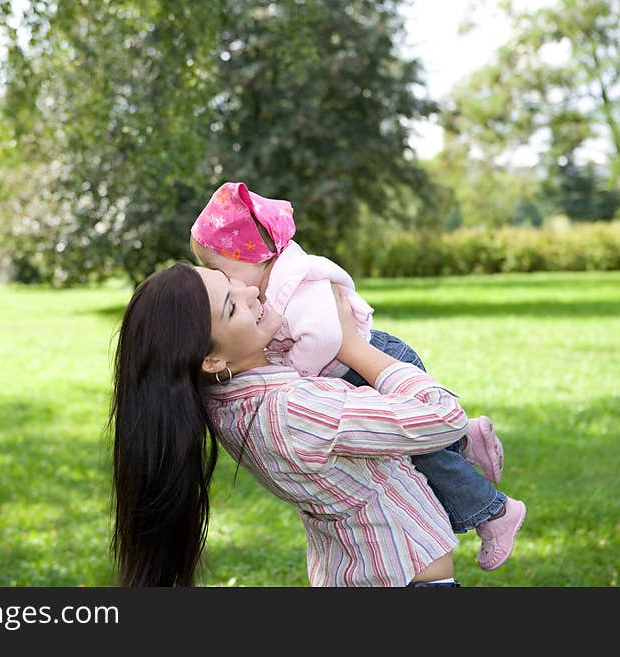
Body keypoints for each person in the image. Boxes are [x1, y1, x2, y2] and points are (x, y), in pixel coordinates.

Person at [189, 181, 526, 571]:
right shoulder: (274, 302)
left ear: (249, 255)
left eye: (222, 273)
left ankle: (493, 512)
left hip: (368, 358)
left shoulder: (293, 283)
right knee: (421, 445)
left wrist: (296, 371)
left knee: (428, 451)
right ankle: (471, 443)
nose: (237, 290)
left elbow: (329, 337)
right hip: (357, 365)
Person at [111, 260, 475, 586]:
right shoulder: (293, 410)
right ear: (211, 359)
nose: (251, 290)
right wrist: (351, 346)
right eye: (232, 305)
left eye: (229, 280)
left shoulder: (227, 402)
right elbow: (444, 417)